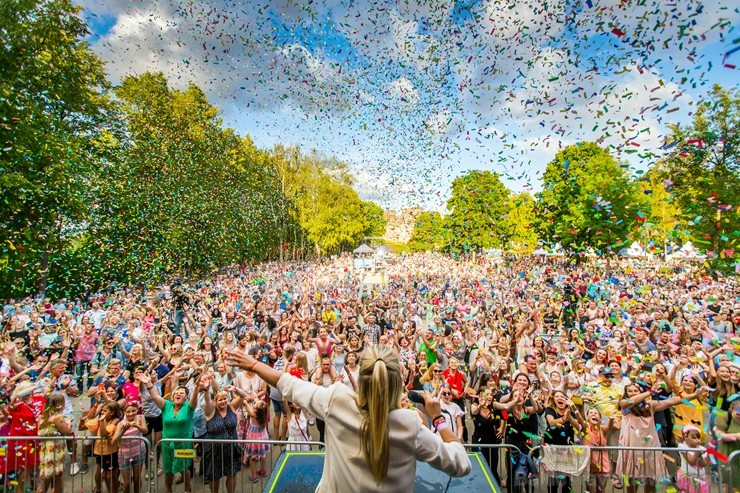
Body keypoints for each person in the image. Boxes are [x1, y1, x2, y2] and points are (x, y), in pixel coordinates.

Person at [225, 344, 471, 491]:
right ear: (397, 384)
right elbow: (460, 463)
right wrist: (438, 418)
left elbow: (288, 384)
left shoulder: (337, 400)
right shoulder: (410, 423)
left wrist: (255, 364)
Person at [137, 372, 203, 493]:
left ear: (185, 397)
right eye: (176, 393)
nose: (178, 394)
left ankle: (187, 488)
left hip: (184, 445)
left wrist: (197, 388)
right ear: (172, 396)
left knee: (184, 468)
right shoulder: (166, 405)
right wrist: (148, 383)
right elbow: (155, 397)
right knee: (168, 470)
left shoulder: (189, 407)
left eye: (181, 393)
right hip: (167, 445)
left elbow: (194, 399)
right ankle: (168, 490)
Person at [202, 384, 247, 493]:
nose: (223, 402)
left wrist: (235, 389)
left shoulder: (231, 407)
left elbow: (243, 396)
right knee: (214, 476)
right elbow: (207, 400)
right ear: (215, 402)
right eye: (220, 400)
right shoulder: (210, 411)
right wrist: (206, 389)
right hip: (214, 450)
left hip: (231, 450)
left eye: (225, 399)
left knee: (231, 474)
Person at [38, 392, 74, 493]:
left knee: (56, 476)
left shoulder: (43, 416)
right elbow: (67, 431)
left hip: (46, 449)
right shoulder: (58, 418)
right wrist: (69, 423)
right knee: (48, 477)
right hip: (54, 450)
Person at [112, 403, 148, 493]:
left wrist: (137, 426)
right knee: (127, 483)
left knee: (136, 479)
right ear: (124, 412)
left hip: (139, 452)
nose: (131, 413)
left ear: (137, 410)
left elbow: (146, 430)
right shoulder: (120, 424)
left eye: (133, 411)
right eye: (128, 412)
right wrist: (123, 430)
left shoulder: (140, 418)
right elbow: (114, 441)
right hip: (124, 455)